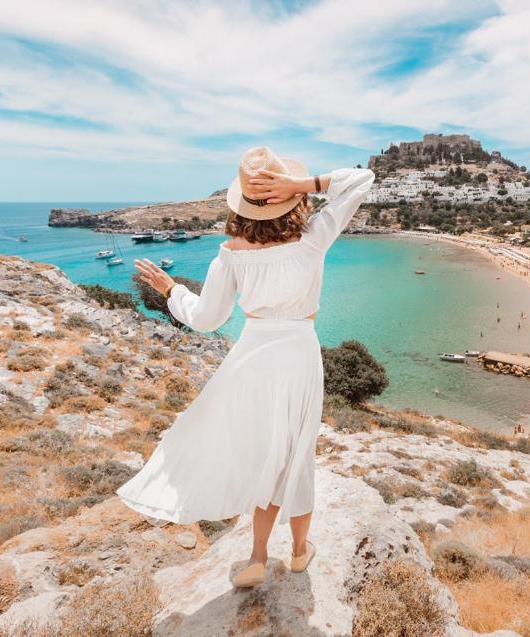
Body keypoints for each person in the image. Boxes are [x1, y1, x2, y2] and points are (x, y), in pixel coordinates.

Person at [116, 146, 375, 589]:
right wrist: (303, 184)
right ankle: (299, 552)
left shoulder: (231, 254)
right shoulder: (314, 238)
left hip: (252, 356)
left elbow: (206, 319)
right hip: (298, 352)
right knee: (296, 455)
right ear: (287, 197)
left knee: (264, 455)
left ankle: (257, 558)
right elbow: (361, 180)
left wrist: (172, 290)